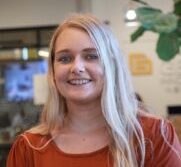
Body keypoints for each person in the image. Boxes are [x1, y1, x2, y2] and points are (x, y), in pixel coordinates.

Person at [7, 14, 181, 167]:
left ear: (112, 66)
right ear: (53, 71)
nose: (77, 67)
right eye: (65, 58)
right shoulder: (29, 148)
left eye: (91, 56)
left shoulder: (154, 137)